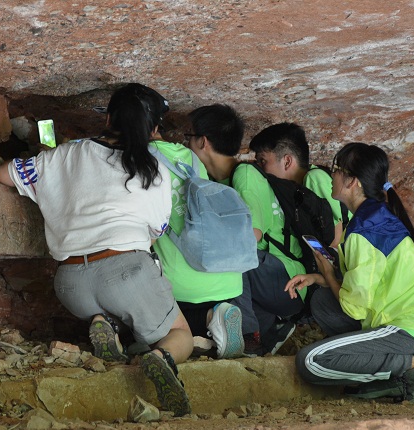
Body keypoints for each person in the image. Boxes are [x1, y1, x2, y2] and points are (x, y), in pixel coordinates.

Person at [0, 83, 193, 416]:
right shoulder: (153, 169)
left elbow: (4, 174)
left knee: (118, 307)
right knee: (179, 333)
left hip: (70, 285)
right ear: (153, 130)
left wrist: (49, 166)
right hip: (125, 273)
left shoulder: (64, 154)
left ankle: (105, 324)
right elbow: (155, 233)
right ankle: (161, 358)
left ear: (108, 118)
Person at [287, 142, 414, 403]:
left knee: (311, 361)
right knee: (322, 301)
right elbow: (367, 282)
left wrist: (328, 274)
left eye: (336, 169)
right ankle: (391, 372)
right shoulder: (375, 216)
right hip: (411, 321)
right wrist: (319, 278)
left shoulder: (364, 230)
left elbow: (355, 308)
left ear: (353, 182)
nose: (331, 175)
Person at [187, 105, 302, 356]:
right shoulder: (216, 182)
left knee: (233, 255)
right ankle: (268, 332)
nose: (186, 145)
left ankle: (247, 335)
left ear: (202, 141)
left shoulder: (245, 174)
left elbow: (252, 236)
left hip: (289, 282)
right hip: (267, 285)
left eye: (188, 137)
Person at [147, 98, 245, 360]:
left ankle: (209, 319)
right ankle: (217, 315)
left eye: (188, 137)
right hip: (229, 279)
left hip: (185, 283)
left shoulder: (138, 158)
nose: (186, 141)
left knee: (153, 315)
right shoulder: (193, 161)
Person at [249, 122, 344, 248]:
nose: (258, 169)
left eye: (263, 161)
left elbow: (335, 240)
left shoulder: (314, 178)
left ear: (287, 162)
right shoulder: (292, 189)